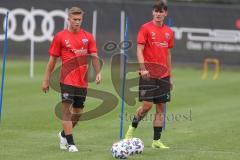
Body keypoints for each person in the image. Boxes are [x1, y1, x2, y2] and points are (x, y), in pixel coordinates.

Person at [42, 7, 101, 152]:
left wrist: (98, 72)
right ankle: (71, 143)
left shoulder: (88, 36)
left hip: (82, 81)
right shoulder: (60, 36)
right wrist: (46, 79)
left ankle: (63, 134)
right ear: (68, 19)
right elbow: (52, 60)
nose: (77, 22)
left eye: (79, 19)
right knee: (67, 111)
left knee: (78, 113)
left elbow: (94, 56)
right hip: (66, 80)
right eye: (74, 19)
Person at [125, 2, 174, 149]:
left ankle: (156, 141)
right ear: (153, 13)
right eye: (156, 11)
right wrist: (143, 68)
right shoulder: (145, 28)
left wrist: (170, 75)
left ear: (166, 14)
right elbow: (139, 49)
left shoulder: (169, 32)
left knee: (160, 108)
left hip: (163, 75)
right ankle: (130, 132)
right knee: (146, 106)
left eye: (161, 11)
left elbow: (168, 54)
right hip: (148, 74)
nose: (158, 14)